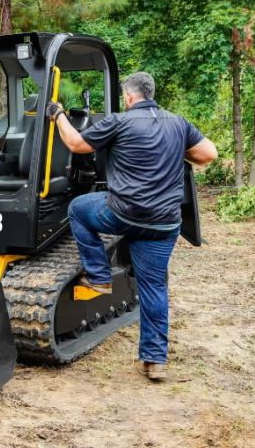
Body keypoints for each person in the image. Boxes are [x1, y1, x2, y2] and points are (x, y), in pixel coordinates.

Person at [47, 72, 217, 381]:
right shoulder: (177, 123)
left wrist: (58, 115)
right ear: (151, 94)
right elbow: (208, 154)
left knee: (78, 209)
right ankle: (154, 360)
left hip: (123, 214)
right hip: (165, 223)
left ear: (129, 97)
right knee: (154, 288)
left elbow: (75, 143)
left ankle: (98, 276)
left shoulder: (120, 122)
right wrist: (177, 148)